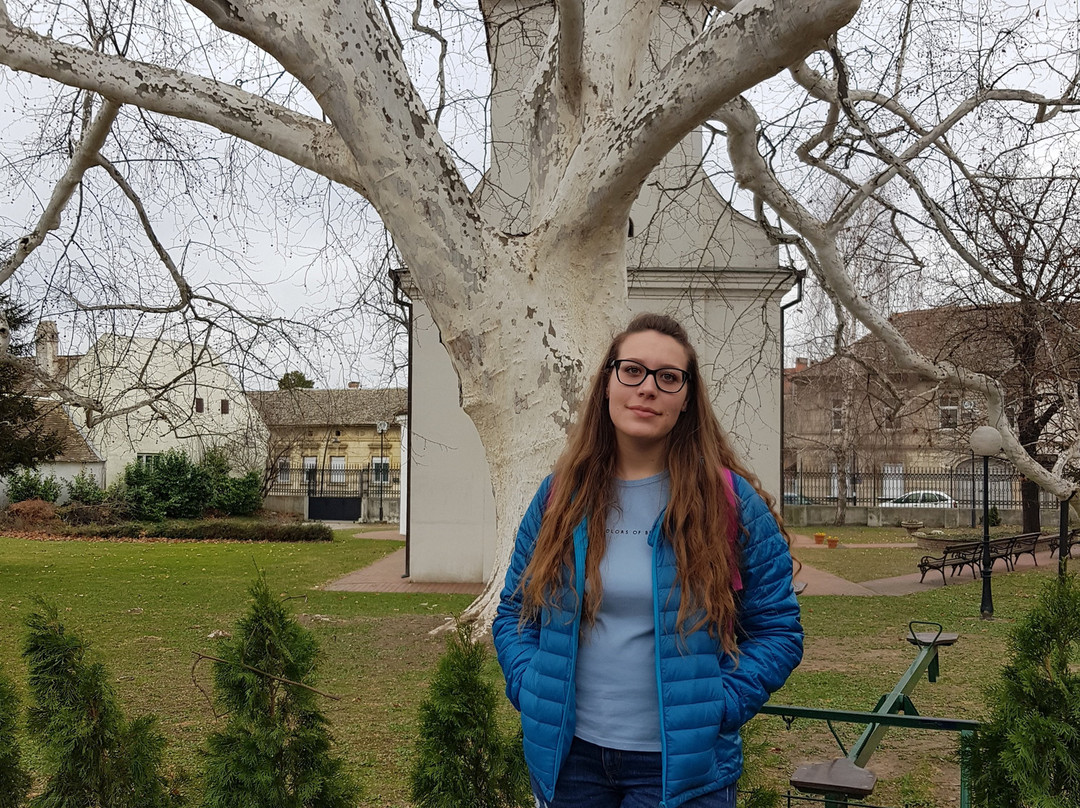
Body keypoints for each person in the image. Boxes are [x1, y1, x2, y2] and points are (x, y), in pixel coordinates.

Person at [493, 313, 803, 808]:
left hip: (679, 771)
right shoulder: (560, 496)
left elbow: (778, 629)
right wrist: (530, 685)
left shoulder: (728, 502)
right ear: (608, 383)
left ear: (686, 400)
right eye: (632, 370)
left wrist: (718, 707)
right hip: (570, 763)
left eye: (668, 377)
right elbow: (515, 609)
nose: (648, 389)